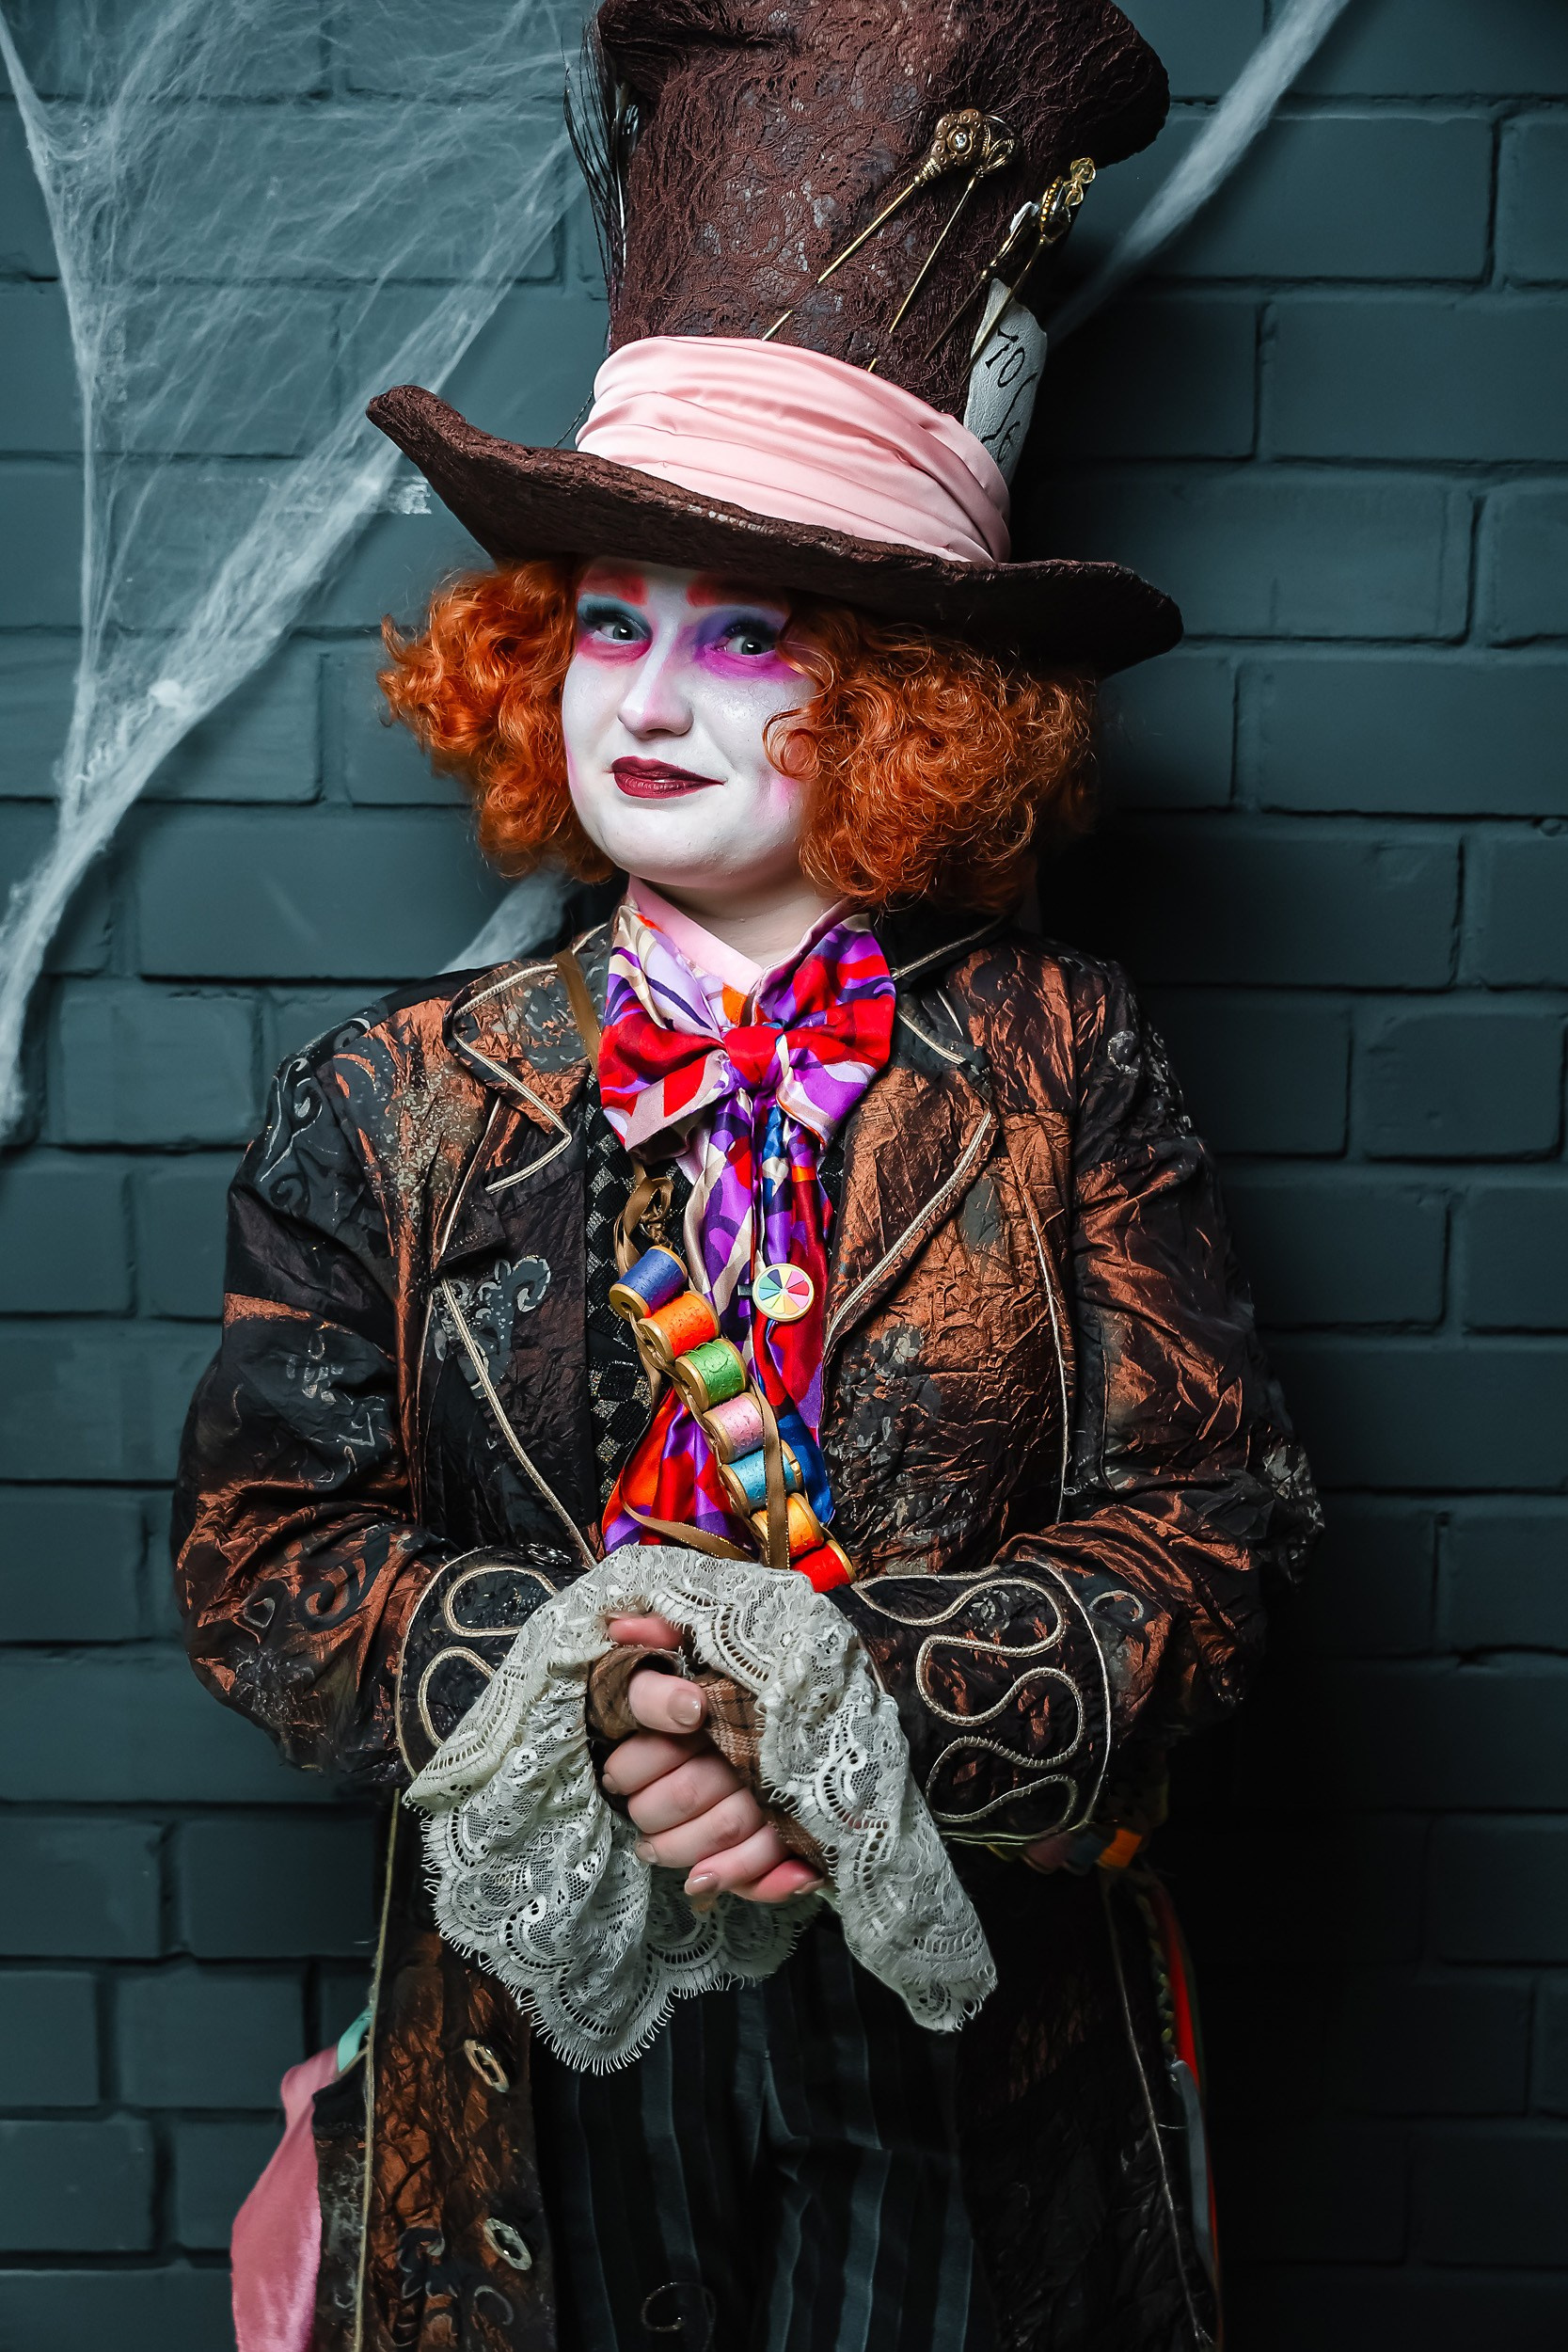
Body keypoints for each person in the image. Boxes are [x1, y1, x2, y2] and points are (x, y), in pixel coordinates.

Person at [173, 3, 1320, 2346]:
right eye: (609, 619)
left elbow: (1212, 1543)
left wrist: (840, 1703)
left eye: (747, 634)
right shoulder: (389, 1097)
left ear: (902, 695)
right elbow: (263, 1559)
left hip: (965, 2030)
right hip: (539, 2049)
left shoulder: (1064, 1058)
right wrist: (587, 1697)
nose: (655, 695)